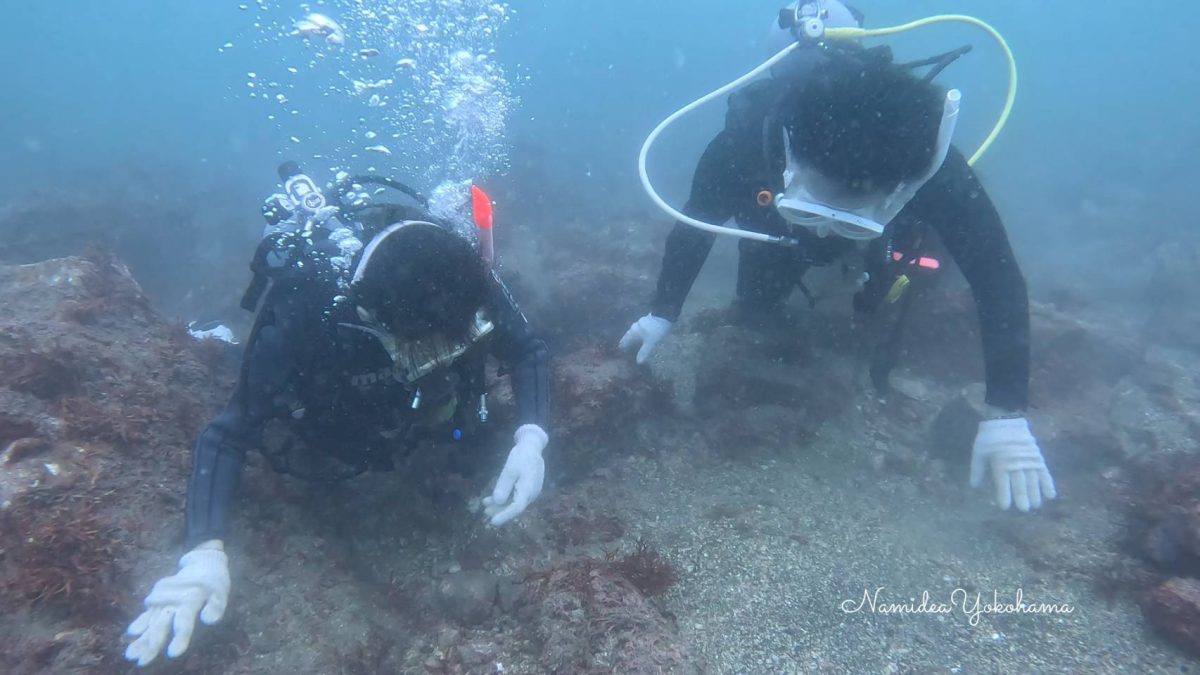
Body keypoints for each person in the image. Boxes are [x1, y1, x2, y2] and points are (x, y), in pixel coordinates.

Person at [620, 1, 1055, 514]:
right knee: (756, 309)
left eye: (852, 210)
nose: (832, 218)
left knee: (901, 288)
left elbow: (995, 274)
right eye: (820, 208)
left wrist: (1006, 410)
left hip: (884, 245)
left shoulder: (930, 161)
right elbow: (695, 225)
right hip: (779, 239)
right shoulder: (744, 141)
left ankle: (874, 264)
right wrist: (662, 310)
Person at [123, 165, 551, 667]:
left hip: (421, 412)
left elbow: (528, 351)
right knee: (287, 399)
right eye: (420, 347)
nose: (435, 354)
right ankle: (215, 336)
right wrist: (203, 549)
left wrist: (531, 437)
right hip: (335, 407)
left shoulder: (464, 275)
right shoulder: (308, 303)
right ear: (371, 318)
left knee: (462, 425)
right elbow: (228, 432)